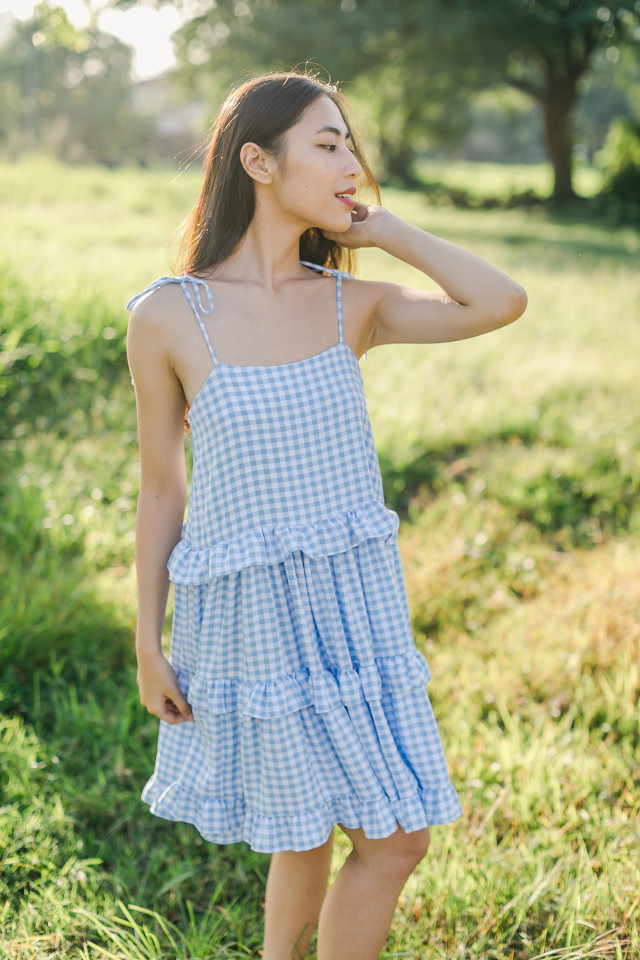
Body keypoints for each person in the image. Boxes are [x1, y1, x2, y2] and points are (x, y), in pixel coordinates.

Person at [126, 70, 527, 960]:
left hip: (354, 612)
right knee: (299, 835)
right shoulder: (168, 315)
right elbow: (162, 486)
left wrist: (380, 229)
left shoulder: (352, 303)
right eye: (327, 142)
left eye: (350, 143)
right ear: (258, 162)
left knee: (395, 839)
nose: (351, 162)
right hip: (250, 618)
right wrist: (148, 638)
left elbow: (499, 301)